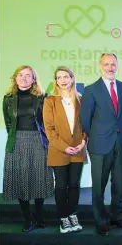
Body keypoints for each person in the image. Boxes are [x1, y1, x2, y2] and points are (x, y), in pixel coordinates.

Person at [80, 53, 122, 236]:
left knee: (120, 184)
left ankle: (118, 217)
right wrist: (98, 134)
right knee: (99, 185)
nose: (110, 68)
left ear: (117, 66)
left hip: (120, 142)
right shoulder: (91, 90)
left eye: (113, 64)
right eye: (107, 64)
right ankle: (101, 220)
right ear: (100, 66)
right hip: (100, 144)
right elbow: (85, 120)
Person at [2, 65, 53, 232]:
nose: (24, 78)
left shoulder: (42, 97)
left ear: (34, 79)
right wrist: (15, 138)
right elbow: (8, 123)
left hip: (38, 140)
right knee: (20, 179)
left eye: (28, 75)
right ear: (15, 78)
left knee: (39, 177)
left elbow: (46, 122)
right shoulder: (8, 98)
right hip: (17, 141)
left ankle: (38, 215)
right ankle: (27, 218)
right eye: (20, 75)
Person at [43, 66, 87, 233]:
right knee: (61, 185)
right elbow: (49, 129)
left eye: (66, 76)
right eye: (59, 77)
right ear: (56, 81)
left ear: (72, 78)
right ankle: (63, 218)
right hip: (58, 149)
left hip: (78, 148)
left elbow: (86, 125)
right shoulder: (50, 101)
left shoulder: (81, 99)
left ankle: (72, 214)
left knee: (74, 184)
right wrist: (64, 147)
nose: (63, 80)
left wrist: (83, 142)